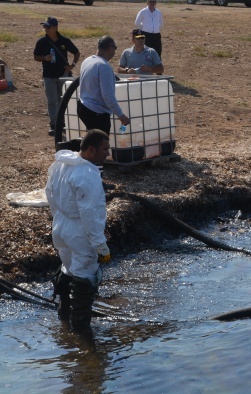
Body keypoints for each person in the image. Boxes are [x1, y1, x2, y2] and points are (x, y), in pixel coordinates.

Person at [46, 129, 112, 333]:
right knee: (85, 278)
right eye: (104, 149)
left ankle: (64, 316)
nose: (107, 154)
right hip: (80, 233)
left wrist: (59, 219)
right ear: (91, 150)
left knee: (68, 267)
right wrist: (101, 246)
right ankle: (82, 332)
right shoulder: (88, 174)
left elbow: (50, 194)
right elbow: (90, 214)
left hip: (60, 227)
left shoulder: (60, 164)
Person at [33, 17, 80, 136]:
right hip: (48, 75)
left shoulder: (64, 40)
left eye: (48, 27)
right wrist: (44, 58)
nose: (46, 29)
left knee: (62, 100)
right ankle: (54, 125)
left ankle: (62, 123)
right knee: (52, 101)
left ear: (55, 27)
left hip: (63, 75)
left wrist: (72, 65)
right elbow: (35, 56)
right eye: (44, 26)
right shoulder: (42, 41)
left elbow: (76, 52)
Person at [78, 36, 130, 134]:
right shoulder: (104, 66)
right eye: (115, 48)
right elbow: (107, 96)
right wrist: (121, 116)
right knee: (100, 145)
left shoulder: (87, 60)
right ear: (109, 48)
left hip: (83, 107)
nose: (114, 52)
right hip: (96, 113)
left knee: (91, 141)